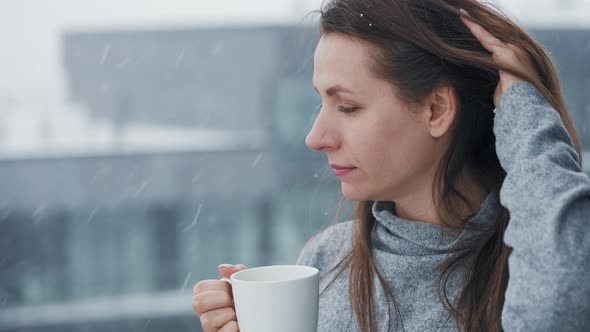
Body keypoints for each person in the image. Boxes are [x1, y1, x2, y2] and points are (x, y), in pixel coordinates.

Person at [192, 0, 590, 331]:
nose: (314, 138)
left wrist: (523, 110)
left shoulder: (535, 265)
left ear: (436, 109)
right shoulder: (327, 260)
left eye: (347, 106)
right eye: (321, 102)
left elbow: (557, 305)